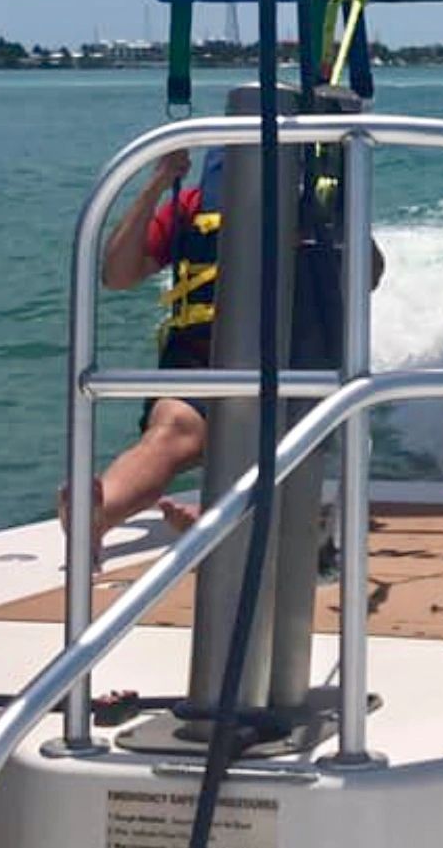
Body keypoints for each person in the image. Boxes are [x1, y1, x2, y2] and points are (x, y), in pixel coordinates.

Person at [66, 144, 384, 553]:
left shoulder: (318, 211)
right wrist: (158, 183)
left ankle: (221, 523)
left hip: (288, 362)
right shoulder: (193, 207)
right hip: (201, 359)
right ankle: (97, 511)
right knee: (172, 431)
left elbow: (369, 275)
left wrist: (339, 213)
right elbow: (118, 274)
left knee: (278, 439)